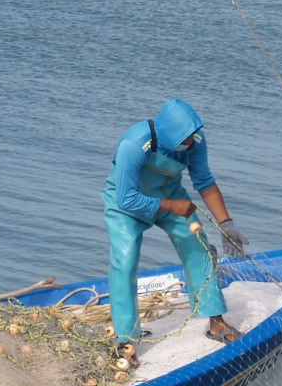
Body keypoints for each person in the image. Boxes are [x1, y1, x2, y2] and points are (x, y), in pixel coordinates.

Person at [102, 97, 248, 360]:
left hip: (169, 195)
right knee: (125, 260)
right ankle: (125, 340)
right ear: (168, 133)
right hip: (126, 204)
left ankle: (216, 321)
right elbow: (125, 198)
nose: (190, 141)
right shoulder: (133, 146)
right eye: (185, 138)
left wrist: (227, 224)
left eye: (192, 136)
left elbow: (204, 181)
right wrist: (170, 206)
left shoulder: (195, 142)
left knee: (198, 246)